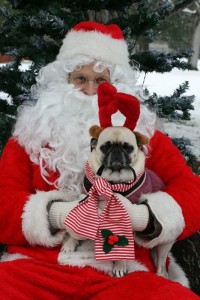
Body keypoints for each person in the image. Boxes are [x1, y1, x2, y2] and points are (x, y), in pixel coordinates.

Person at [0, 21, 200, 300]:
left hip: (125, 272)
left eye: (101, 80)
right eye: (80, 78)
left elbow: (192, 193)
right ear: (63, 81)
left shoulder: (143, 134)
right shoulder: (31, 134)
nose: (90, 90)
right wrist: (56, 215)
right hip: (38, 267)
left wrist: (143, 218)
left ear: (117, 86)